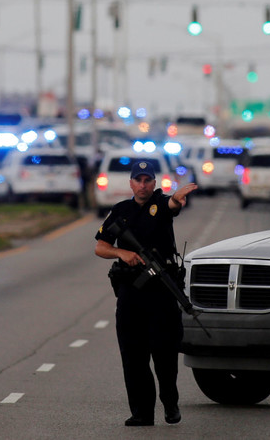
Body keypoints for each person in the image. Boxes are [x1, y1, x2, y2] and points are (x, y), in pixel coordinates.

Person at [94, 160, 197, 427]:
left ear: (154, 183)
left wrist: (177, 198)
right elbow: (101, 247)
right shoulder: (120, 210)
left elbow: (173, 205)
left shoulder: (160, 205)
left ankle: (170, 400)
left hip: (161, 294)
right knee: (133, 356)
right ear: (130, 183)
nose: (142, 185)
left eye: (147, 180)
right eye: (138, 180)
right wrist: (122, 253)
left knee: (164, 354)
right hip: (130, 294)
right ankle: (142, 412)